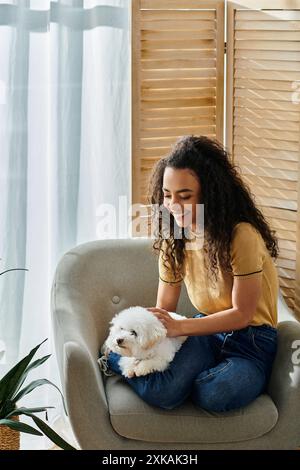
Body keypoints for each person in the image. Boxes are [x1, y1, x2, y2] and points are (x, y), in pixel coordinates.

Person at [106, 135, 279, 412]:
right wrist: (158, 336)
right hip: (204, 333)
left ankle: (143, 368)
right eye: (167, 195)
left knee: (215, 393)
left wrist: (181, 328)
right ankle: (113, 357)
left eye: (184, 196)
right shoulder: (174, 239)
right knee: (165, 393)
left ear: (209, 193)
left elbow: (242, 314)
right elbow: (165, 310)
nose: (173, 205)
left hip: (252, 342)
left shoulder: (241, 235)